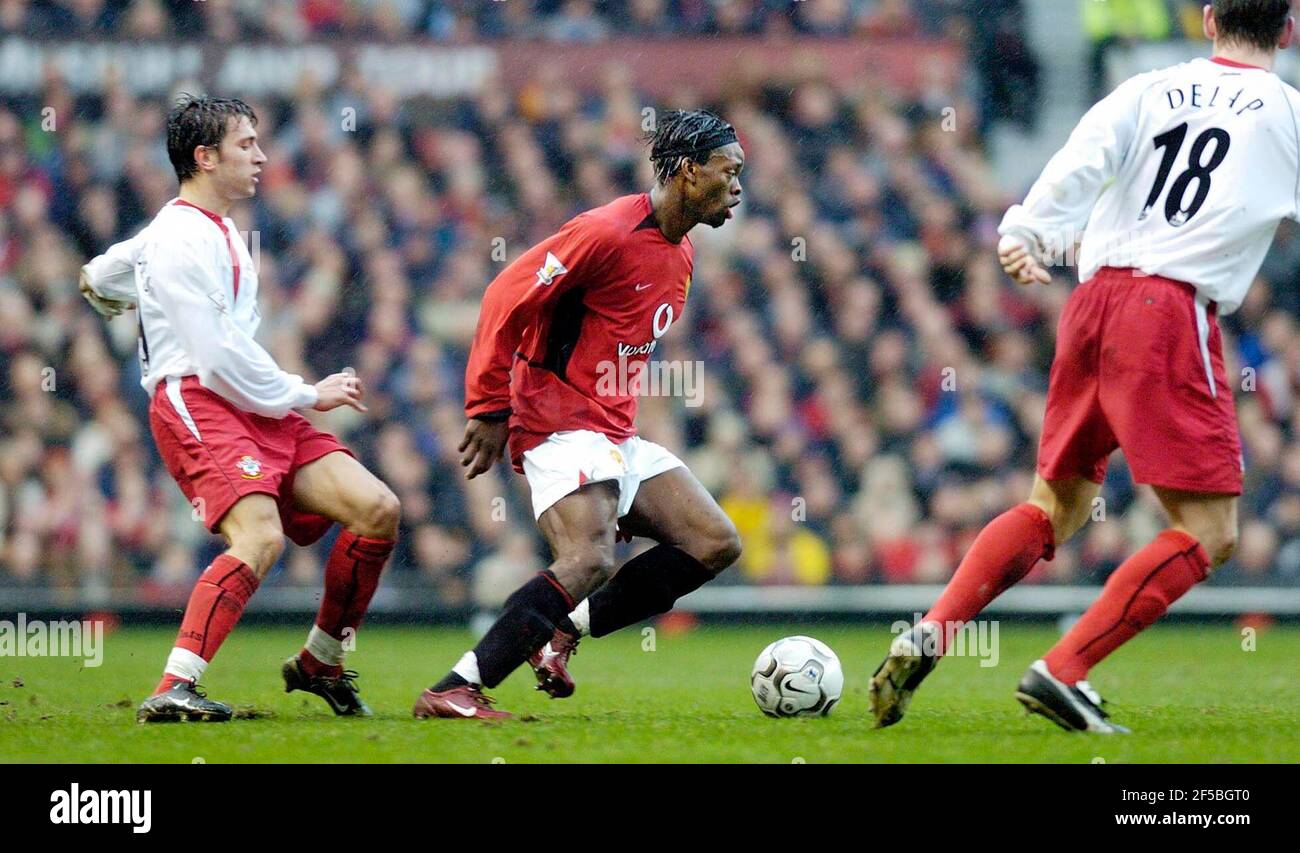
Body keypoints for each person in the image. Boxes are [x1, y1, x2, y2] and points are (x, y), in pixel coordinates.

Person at [869, 0, 1298, 733]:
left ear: (1205, 19)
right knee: (1212, 531)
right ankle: (1063, 669)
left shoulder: (1147, 86)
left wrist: (1027, 231)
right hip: (1168, 311)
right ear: (1287, 29)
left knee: (1054, 506)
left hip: (1092, 299)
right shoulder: (1286, 112)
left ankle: (933, 628)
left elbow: (1081, 159)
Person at [413, 109, 744, 720]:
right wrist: (489, 405)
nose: (740, 187)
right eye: (730, 171)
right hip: (558, 422)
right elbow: (505, 296)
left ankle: (563, 633)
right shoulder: (606, 231)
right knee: (589, 557)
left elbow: (614, 347)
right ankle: (456, 687)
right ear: (690, 173)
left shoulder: (683, 255)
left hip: (615, 431)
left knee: (713, 542)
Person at [80, 95, 401, 722]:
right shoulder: (178, 239)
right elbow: (218, 356)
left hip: (251, 402)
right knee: (259, 538)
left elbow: (105, 269)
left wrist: (101, 289)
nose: (260, 156)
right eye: (245, 144)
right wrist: (309, 393)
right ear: (204, 157)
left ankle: (321, 662)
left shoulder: (200, 227)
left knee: (377, 509)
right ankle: (174, 685)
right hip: (199, 398)